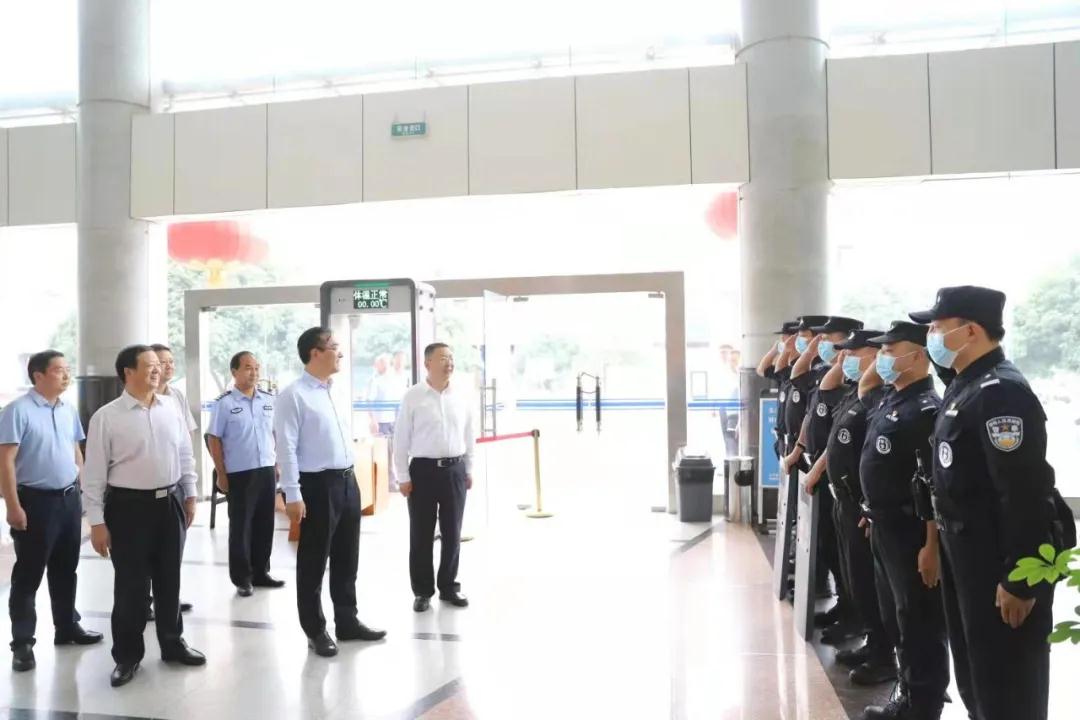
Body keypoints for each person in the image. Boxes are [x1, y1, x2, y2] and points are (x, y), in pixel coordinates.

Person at [911, 286, 1061, 720]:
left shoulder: (1001, 393)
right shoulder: (966, 385)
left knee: (1008, 691)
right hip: (968, 561)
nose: (931, 338)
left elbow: (1024, 493)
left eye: (937, 328)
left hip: (998, 567)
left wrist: (1020, 580)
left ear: (971, 331)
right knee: (979, 683)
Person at [83, 345, 206, 688]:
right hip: (128, 509)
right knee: (131, 587)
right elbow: (93, 475)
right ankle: (127, 655)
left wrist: (190, 494)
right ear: (128, 372)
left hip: (170, 503)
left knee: (170, 580)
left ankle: (173, 643)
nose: (158, 370)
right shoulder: (107, 417)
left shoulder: (171, 408)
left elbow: (185, 454)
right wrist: (96, 522)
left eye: (159, 365)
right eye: (149, 365)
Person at [274, 327, 386, 658]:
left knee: (347, 556)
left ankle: (347, 621)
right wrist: (292, 494)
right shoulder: (293, 395)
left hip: (348, 481)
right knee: (313, 561)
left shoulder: (336, 390)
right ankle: (315, 629)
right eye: (334, 347)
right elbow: (286, 448)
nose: (340, 352)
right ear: (315, 353)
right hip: (316, 486)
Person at [858, 322, 949, 720]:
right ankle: (909, 691)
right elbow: (864, 388)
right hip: (885, 526)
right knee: (898, 616)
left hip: (913, 532)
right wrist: (873, 512)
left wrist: (931, 546)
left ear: (917, 355)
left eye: (890, 350)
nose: (882, 357)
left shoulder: (926, 409)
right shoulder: (892, 399)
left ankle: (923, 704)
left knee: (919, 620)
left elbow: (933, 484)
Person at [802, 330, 897, 686]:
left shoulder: (878, 397)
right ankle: (873, 641)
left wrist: (874, 364)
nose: (844, 359)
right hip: (846, 499)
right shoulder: (854, 394)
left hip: (864, 506)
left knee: (872, 583)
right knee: (854, 574)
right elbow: (831, 434)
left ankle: (883, 654)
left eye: (853, 353)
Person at [0, 351, 103, 673]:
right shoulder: (17, 411)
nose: (66, 375)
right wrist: (13, 506)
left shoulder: (68, 409)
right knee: (28, 575)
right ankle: (22, 643)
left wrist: (82, 489)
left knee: (66, 568)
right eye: (59, 370)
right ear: (38, 375)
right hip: (35, 503)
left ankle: (67, 626)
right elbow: (5, 462)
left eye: (67, 369)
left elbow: (76, 452)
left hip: (68, 500)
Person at [788, 317, 865, 647]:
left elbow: (836, 438)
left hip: (845, 486)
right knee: (836, 553)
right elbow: (813, 406)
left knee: (852, 561)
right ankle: (845, 607)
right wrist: (800, 449)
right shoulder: (830, 375)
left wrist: (843, 358)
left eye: (828, 339)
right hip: (827, 477)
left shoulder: (859, 386)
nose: (821, 345)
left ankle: (856, 619)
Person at [393, 343, 475, 612]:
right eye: (442, 358)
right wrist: (402, 476)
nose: (449, 362)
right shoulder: (413, 396)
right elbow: (401, 439)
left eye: (451, 357)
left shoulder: (461, 395)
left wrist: (469, 469)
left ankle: (449, 586)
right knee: (421, 533)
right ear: (427, 363)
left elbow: (469, 435)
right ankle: (422, 591)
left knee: (453, 532)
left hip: (455, 470)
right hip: (423, 472)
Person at [207, 351, 283, 597]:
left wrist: (278, 463)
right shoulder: (225, 403)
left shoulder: (268, 400)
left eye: (257, 368)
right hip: (240, 473)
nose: (254, 372)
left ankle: (261, 572)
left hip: (266, 470)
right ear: (234, 372)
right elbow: (214, 438)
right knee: (241, 527)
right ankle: (242, 578)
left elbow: (275, 434)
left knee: (265, 523)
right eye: (248, 367)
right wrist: (221, 473)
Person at [151, 344, 195, 617]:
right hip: (144, 489)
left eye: (171, 361)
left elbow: (187, 438)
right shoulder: (135, 399)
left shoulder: (176, 395)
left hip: (175, 484)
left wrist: (190, 487)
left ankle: (167, 601)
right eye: (162, 362)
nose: (168, 366)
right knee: (145, 555)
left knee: (172, 550)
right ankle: (144, 602)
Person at [366, 353, 406, 436]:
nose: (386, 366)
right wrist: (373, 420)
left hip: (393, 422)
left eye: (386, 363)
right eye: (382, 363)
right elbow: (369, 401)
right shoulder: (375, 381)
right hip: (380, 423)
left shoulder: (393, 379)